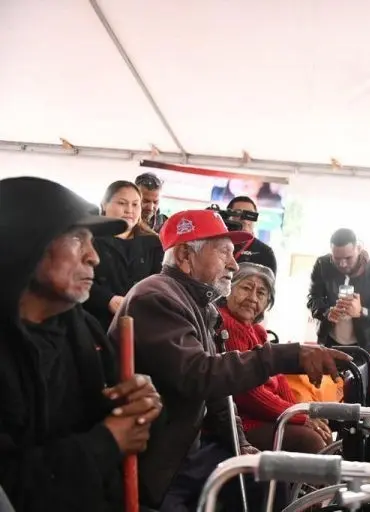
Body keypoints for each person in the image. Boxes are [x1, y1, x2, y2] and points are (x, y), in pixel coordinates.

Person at [111, 208, 350, 511]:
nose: (234, 264)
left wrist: (241, 444)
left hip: (191, 445)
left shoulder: (200, 305)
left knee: (269, 477)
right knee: (266, 479)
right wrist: (288, 355)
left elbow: (219, 394)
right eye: (224, 252)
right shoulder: (156, 297)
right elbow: (200, 375)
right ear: (185, 256)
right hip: (164, 458)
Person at [0, 177, 163, 511]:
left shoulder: (85, 330)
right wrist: (109, 440)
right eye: (78, 238)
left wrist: (136, 407)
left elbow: (106, 419)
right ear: (25, 242)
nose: (94, 258)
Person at [220, 263, 333, 453]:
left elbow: (278, 378)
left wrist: (300, 412)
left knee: (324, 432)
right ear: (229, 290)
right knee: (311, 441)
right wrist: (298, 416)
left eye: (261, 293)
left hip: (264, 416)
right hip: (242, 422)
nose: (252, 298)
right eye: (246, 288)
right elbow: (248, 394)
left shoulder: (257, 330)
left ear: (267, 303)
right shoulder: (227, 324)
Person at [84, 181, 164, 331]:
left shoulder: (153, 243)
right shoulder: (88, 238)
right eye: (122, 203)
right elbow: (73, 278)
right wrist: (107, 300)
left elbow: (160, 283)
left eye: (135, 205)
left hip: (139, 326)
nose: (129, 210)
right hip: (94, 324)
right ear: (104, 204)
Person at [308, 228, 370, 355]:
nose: (342, 264)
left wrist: (362, 311)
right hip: (328, 342)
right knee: (326, 375)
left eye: (348, 258)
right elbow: (313, 299)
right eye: (337, 258)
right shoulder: (323, 265)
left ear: (359, 249)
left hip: (362, 346)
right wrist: (326, 313)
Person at [226, 195, 278, 274]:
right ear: (228, 216)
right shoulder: (215, 245)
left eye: (250, 215)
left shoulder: (265, 253)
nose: (245, 220)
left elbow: (268, 284)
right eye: (238, 213)